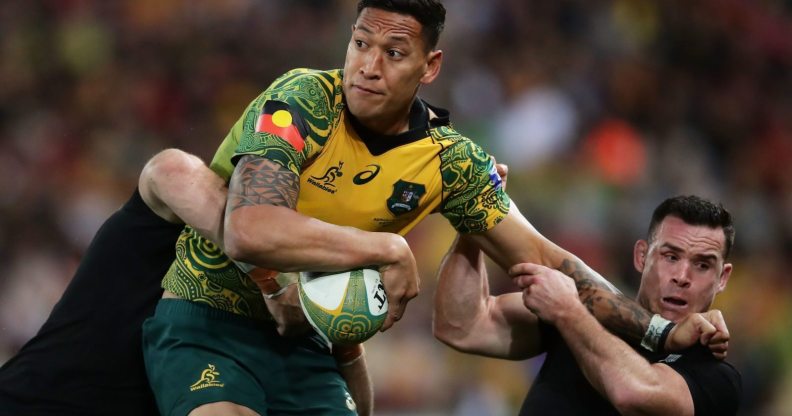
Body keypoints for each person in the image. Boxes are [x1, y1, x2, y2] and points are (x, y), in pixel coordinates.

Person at [141, 1, 725, 415]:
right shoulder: (300, 99)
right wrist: (388, 248)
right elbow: (248, 229)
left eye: (394, 52)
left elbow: (546, 259)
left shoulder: (451, 162)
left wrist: (658, 330)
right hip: (210, 317)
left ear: (430, 66)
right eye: (360, 44)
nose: (368, 66)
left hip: (308, 345)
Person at [0, 151, 373, 416]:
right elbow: (169, 170)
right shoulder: (204, 223)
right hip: (38, 398)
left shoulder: (286, 308)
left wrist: (345, 336)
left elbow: (351, 404)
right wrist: (271, 277)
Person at [433, 194, 742, 415]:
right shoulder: (591, 309)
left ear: (722, 278)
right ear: (641, 256)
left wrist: (568, 312)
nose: (682, 277)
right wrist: (471, 222)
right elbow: (462, 325)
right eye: (671, 257)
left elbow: (633, 395)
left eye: (702, 265)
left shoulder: (716, 378)